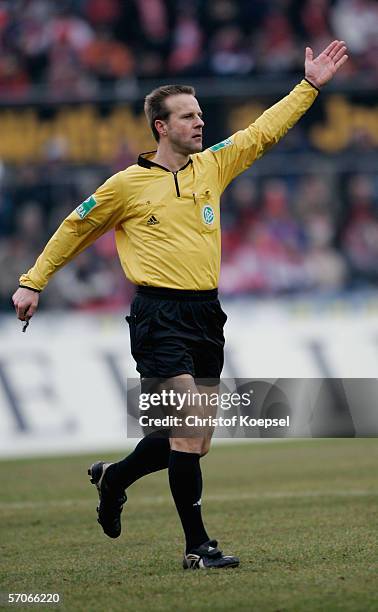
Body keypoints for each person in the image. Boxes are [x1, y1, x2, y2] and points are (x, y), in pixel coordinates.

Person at [12, 41, 348, 570]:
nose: (199, 123)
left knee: (189, 439)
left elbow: (263, 132)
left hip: (206, 316)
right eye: (187, 116)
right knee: (188, 430)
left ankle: (115, 477)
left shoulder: (212, 166)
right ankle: (198, 547)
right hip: (157, 316)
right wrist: (34, 281)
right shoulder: (126, 185)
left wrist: (308, 87)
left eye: (200, 114)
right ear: (161, 127)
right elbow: (75, 228)